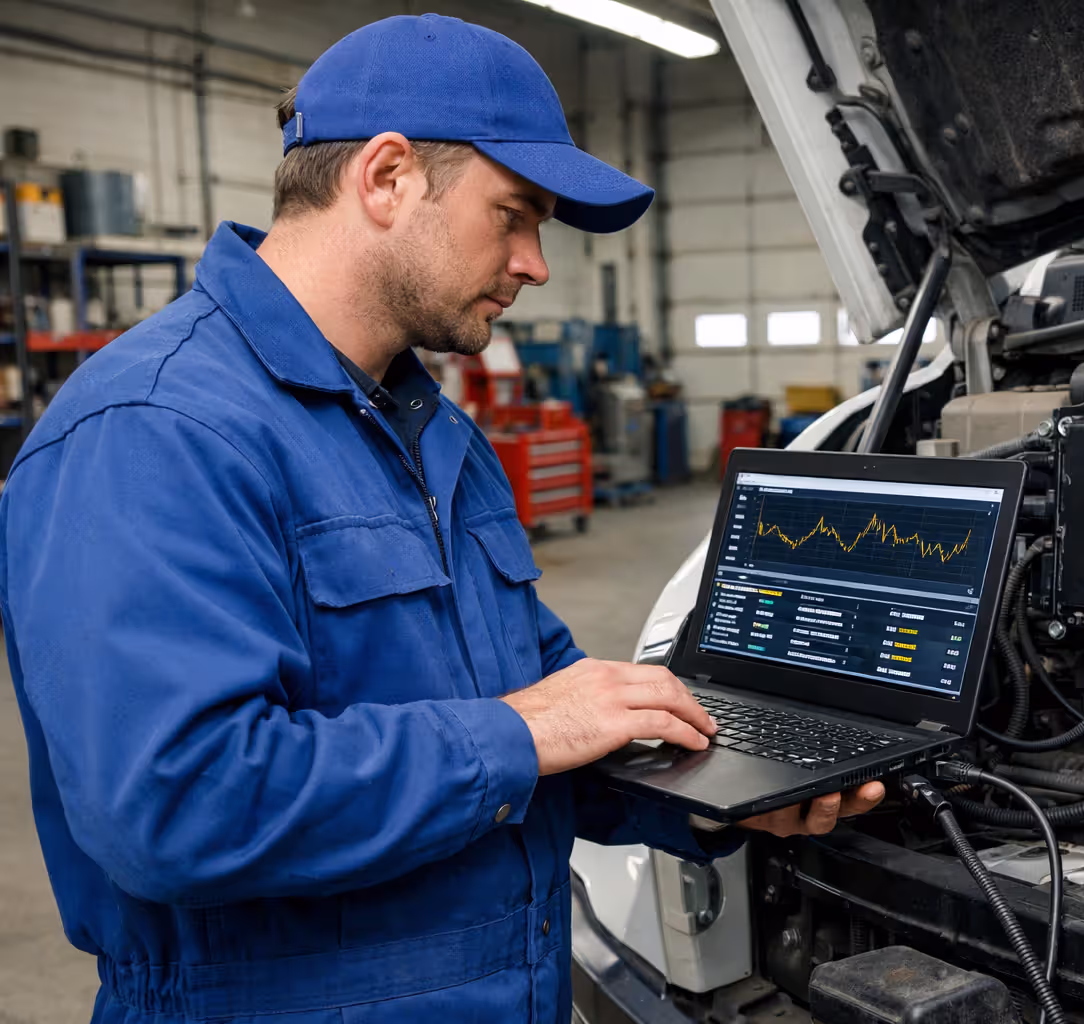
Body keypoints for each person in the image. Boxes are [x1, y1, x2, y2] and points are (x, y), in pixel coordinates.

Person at [0, 15, 883, 1023]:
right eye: (513, 215)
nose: (535, 262)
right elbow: (175, 805)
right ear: (385, 179)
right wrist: (514, 732)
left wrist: (729, 796)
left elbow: (559, 726)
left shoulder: (436, 437)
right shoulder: (157, 428)